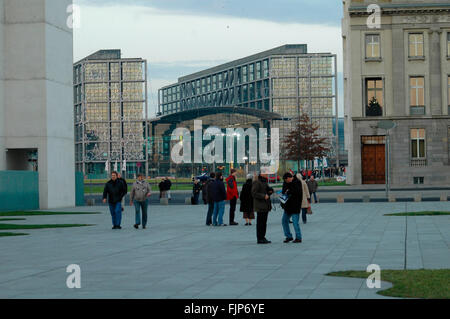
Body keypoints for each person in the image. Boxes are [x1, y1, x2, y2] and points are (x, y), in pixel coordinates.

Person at [251, 173, 274, 244]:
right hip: (260, 205)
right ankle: (260, 238)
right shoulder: (257, 182)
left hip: (265, 205)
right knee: (260, 223)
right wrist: (263, 196)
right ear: (261, 174)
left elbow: (266, 191)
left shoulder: (264, 181)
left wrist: (270, 191)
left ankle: (263, 237)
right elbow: (253, 193)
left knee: (264, 223)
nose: (267, 174)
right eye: (265, 173)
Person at [281, 173, 303, 243]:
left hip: (295, 206)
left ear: (289, 178)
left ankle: (298, 237)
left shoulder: (297, 182)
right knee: (284, 221)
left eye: (286, 180)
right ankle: (288, 236)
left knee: (295, 223)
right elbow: (284, 191)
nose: (286, 182)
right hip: (287, 206)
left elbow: (297, 193)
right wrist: (288, 191)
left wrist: (289, 191)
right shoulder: (285, 182)